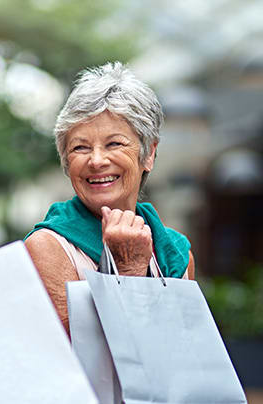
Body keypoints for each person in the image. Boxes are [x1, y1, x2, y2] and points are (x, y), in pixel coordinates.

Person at [25, 62, 195, 334]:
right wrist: (128, 269)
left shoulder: (177, 253)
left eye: (114, 144)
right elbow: (68, 359)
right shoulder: (48, 247)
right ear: (66, 161)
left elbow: (180, 351)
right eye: (80, 147)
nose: (96, 161)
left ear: (148, 154)